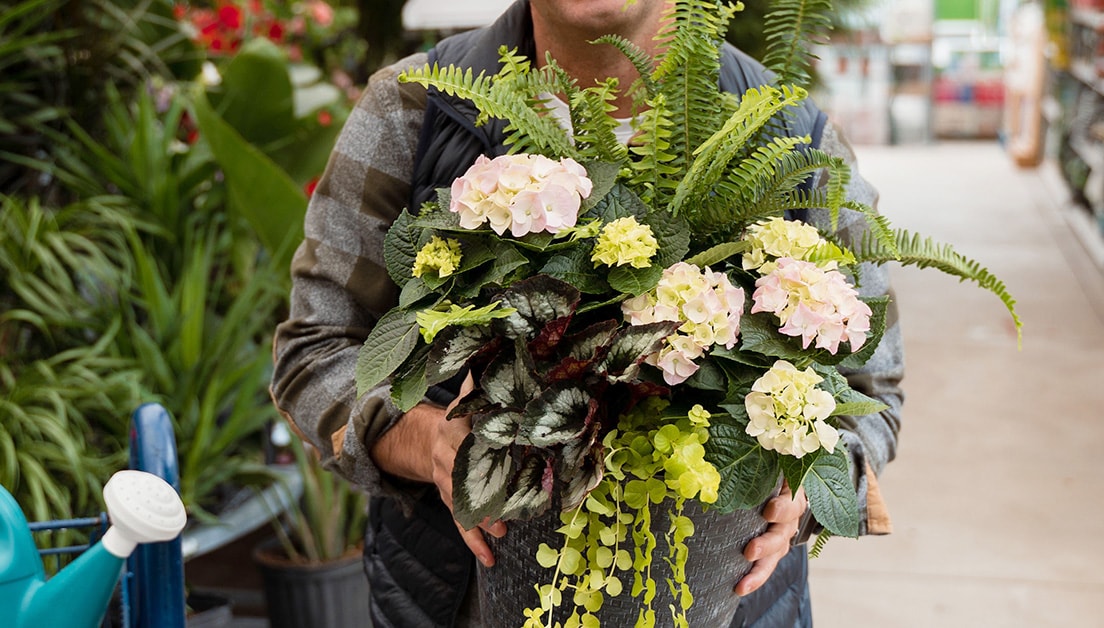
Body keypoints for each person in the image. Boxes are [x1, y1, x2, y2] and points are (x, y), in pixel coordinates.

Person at [270, 1, 904, 626]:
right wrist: (428, 439)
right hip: (458, 596)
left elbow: (872, 393)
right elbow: (314, 351)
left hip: (728, 602)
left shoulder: (786, 132)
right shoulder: (415, 110)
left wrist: (804, 487)